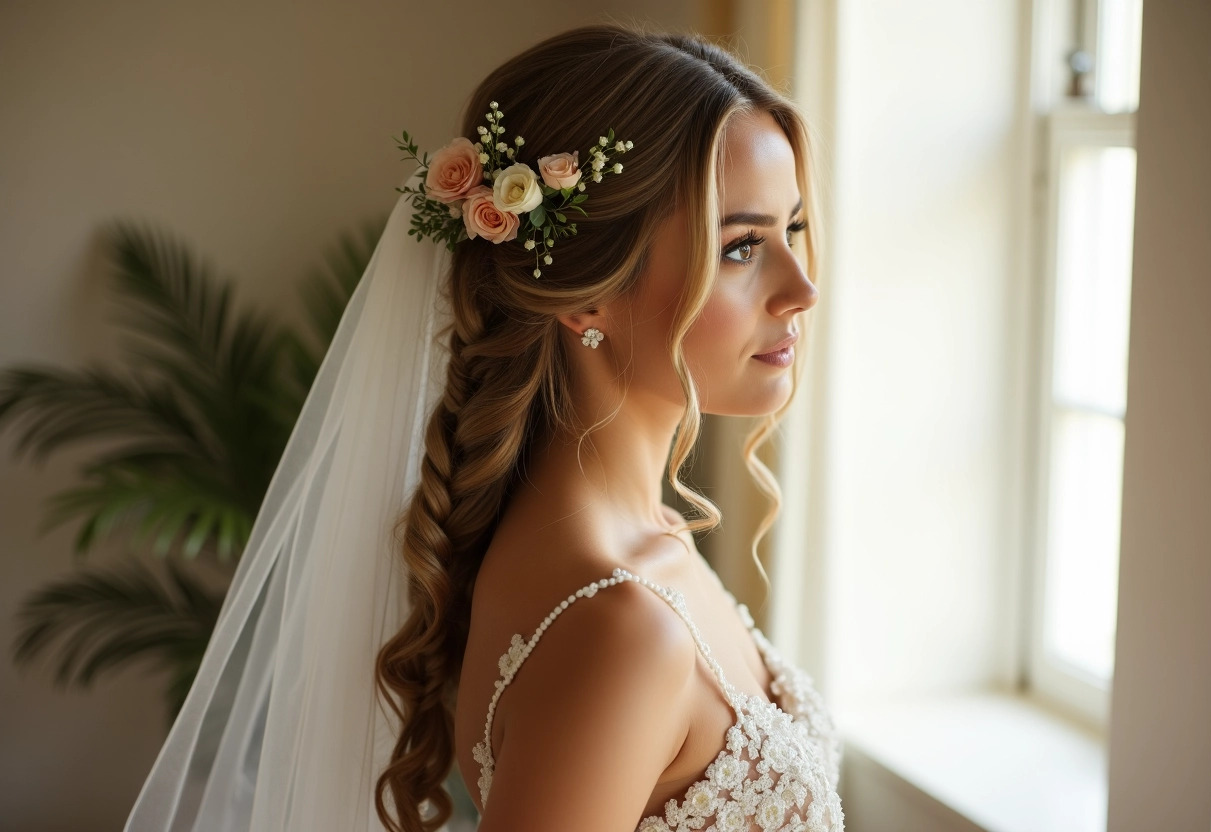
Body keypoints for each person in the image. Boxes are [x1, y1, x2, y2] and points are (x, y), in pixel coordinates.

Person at [124, 22, 843, 832]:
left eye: (794, 231)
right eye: (743, 246)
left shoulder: (647, 538)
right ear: (585, 295)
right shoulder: (622, 629)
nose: (802, 288)